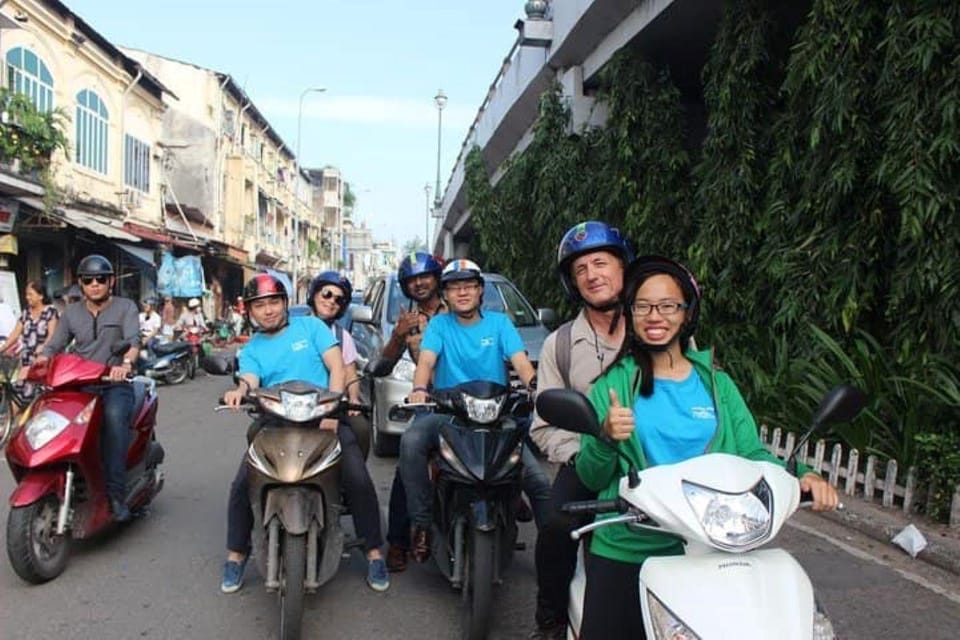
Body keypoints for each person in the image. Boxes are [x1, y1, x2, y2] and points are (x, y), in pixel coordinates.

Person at [573, 255, 839, 639]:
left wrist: (801, 475)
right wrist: (604, 437)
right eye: (643, 306)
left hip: (713, 545)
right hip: (631, 545)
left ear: (686, 313)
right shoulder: (611, 387)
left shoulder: (717, 385)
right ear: (630, 313)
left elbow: (752, 454)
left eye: (668, 305)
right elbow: (590, 475)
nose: (655, 316)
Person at [219, 273, 390, 594]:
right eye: (259, 305)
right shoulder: (253, 348)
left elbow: (337, 367)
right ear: (250, 312)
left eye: (273, 302)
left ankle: (374, 552)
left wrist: (332, 412)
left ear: (285, 303)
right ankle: (236, 555)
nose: (268, 310)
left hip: (324, 420)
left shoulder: (312, 328)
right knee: (244, 482)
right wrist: (239, 390)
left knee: (356, 477)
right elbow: (250, 378)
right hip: (276, 424)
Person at [527, 221, 632, 640]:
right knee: (554, 525)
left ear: (624, 268)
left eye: (601, 263)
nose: (592, 274)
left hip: (656, 463)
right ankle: (550, 619)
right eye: (581, 269)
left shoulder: (658, 330)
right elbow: (545, 424)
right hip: (589, 459)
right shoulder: (561, 344)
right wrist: (582, 454)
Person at [400, 258, 543, 563]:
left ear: (480, 291)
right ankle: (423, 523)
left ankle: (554, 552)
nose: (462, 292)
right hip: (448, 412)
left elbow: (519, 360)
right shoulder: (439, 325)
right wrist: (419, 390)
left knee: (538, 481)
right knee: (411, 442)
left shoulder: (500, 323)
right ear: (446, 295)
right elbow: (425, 362)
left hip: (496, 413)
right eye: (454, 287)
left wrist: (534, 384)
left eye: (469, 286)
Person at [38, 255, 140, 523]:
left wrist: (126, 364)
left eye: (101, 279)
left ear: (111, 281)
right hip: (82, 384)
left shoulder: (125, 307)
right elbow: (53, 346)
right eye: (88, 280)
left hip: (115, 383)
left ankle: (116, 496)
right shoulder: (71, 314)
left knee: (114, 421)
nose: (95, 284)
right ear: (80, 284)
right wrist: (37, 363)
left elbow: (133, 342)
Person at [381, 251, 446, 572]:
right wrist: (397, 335)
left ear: (437, 277)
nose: (419, 284)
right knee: (407, 465)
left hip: (475, 400)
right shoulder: (408, 321)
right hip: (430, 404)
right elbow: (381, 366)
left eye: (425, 277)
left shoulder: (460, 307)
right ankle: (398, 541)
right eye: (412, 280)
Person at [307, 270, 369, 450]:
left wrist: (354, 399)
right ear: (314, 294)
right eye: (326, 294)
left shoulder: (343, 337)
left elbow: (349, 373)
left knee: (361, 430)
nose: (331, 301)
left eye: (338, 299)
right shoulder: (295, 328)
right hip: (293, 404)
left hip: (332, 406)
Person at [1, 280, 60, 401]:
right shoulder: (26, 313)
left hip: (41, 361)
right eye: (26, 294)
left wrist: (43, 348)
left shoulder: (50, 312)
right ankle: (13, 419)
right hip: (26, 360)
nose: (27, 297)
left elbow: (52, 335)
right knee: (18, 394)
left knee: (38, 397)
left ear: (41, 296)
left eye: (30, 294)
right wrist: (2, 349)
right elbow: (14, 334)